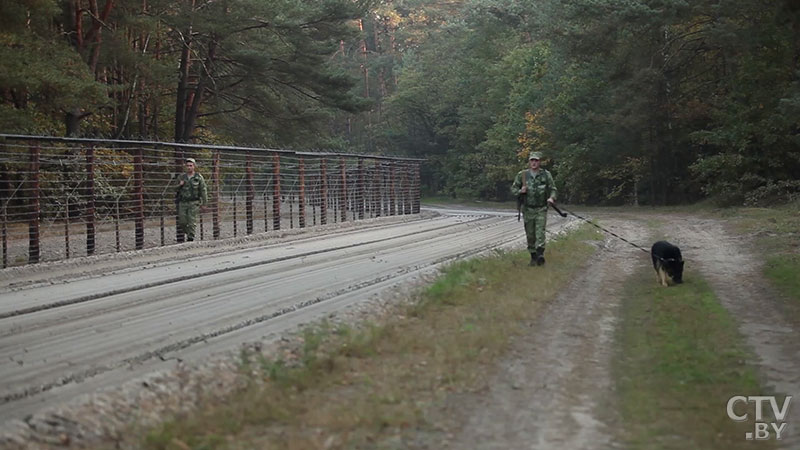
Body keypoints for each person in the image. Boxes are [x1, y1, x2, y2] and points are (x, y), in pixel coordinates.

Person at [511, 151, 557, 266]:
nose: (534, 163)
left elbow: (553, 189)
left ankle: (540, 254)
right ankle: (533, 256)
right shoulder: (523, 175)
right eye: (532, 160)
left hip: (541, 208)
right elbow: (513, 189)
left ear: (540, 162)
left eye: (536, 160)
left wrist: (552, 198)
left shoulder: (546, 175)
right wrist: (520, 191)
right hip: (528, 209)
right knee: (530, 234)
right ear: (529, 162)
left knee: (540, 231)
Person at [176, 157, 208, 242]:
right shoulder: (181, 177)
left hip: (194, 202)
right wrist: (179, 185)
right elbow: (174, 189)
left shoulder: (198, 177)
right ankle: (188, 233)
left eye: (191, 165)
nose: (189, 167)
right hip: (183, 202)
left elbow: (203, 190)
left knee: (191, 221)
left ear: (194, 166)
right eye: (187, 166)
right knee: (182, 221)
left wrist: (204, 203)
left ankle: (190, 238)